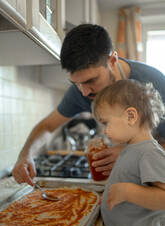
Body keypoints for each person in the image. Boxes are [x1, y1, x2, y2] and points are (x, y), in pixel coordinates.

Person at [12, 24, 165, 186]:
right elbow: (48, 126)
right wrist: (26, 154)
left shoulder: (154, 83)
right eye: (75, 83)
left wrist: (132, 154)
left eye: (90, 81)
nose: (84, 92)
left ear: (112, 60)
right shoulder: (81, 91)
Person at [92, 79, 165, 226]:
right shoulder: (131, 147)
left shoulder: (149, 152)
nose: (104, 131)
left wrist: (128, 192)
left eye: (106, 123)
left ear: (130, 116)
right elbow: (129, 177)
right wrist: (110, 195)